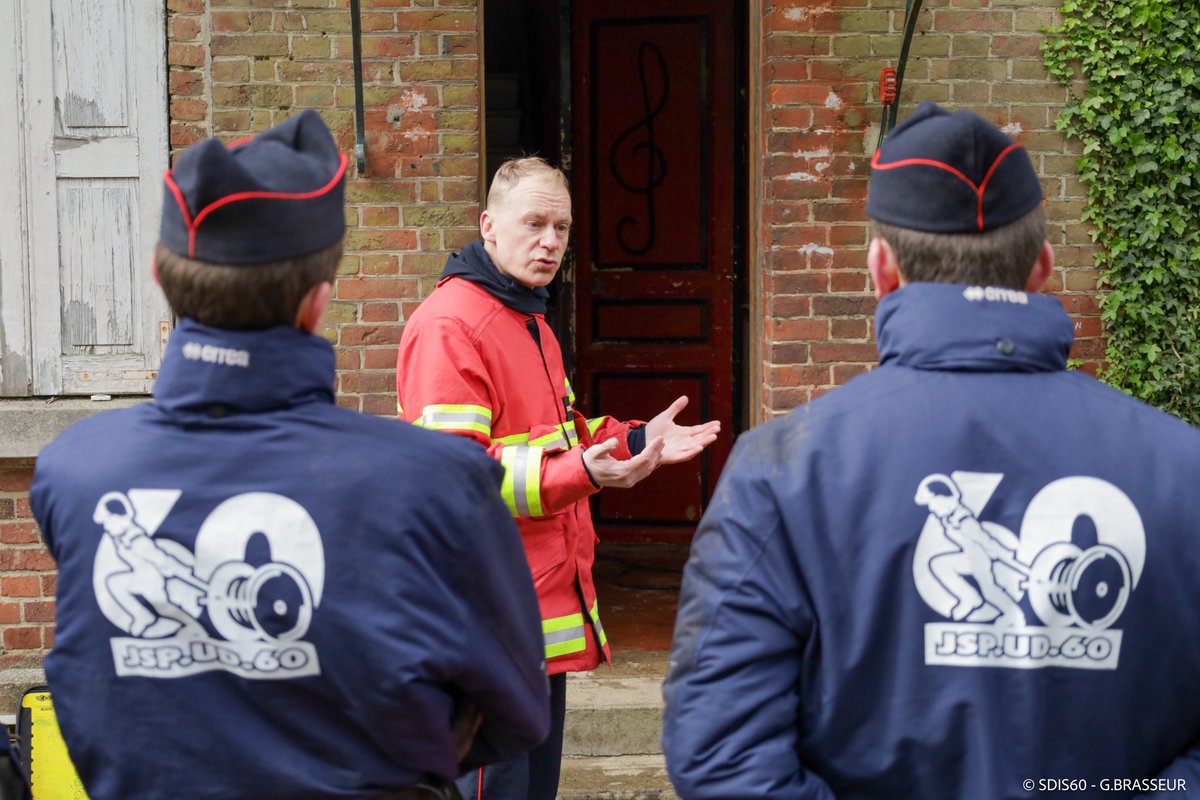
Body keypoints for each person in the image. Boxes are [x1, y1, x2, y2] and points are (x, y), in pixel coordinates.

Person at [661, 102, 1200, 799]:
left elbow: (722, 756)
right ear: (1041, 268)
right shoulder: (1182, 468)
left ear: (880, 270)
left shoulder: (783, 469)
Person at [30, 110, 549, 800]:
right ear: (319, 301)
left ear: (160, 275)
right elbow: (514, 706)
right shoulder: (434, 481)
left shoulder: (75, 471)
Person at [395, 156, 721, 800]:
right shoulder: (452, 324)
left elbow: (557, 431)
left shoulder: (527, 317)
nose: (550, 242)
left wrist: (633, 438)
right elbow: (454, 479)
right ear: (489, 226)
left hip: (530, 618)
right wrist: (581, 474)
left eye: (562, 228)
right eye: (534, 223)